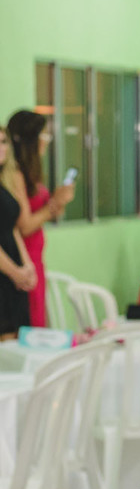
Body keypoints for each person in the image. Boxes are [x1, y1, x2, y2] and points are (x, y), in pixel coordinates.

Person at [5, 110, 75, 327]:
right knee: (29, 325)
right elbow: (24, 226)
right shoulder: (15, 174)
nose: (47, 141)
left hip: (35, 257)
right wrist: (53, 206)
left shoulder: (30, 174)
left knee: (38, 321)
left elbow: (40, 215)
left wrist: (56, 203)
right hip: (22, 257)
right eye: (44, 136)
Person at [0, 126, 35, 339]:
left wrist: (27, 264)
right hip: (5, 273)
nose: (1, 148)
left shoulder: (5, 183)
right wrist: (15, 273)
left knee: (19, 338)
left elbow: (12, 228)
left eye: (3, 142)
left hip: (14, 273)